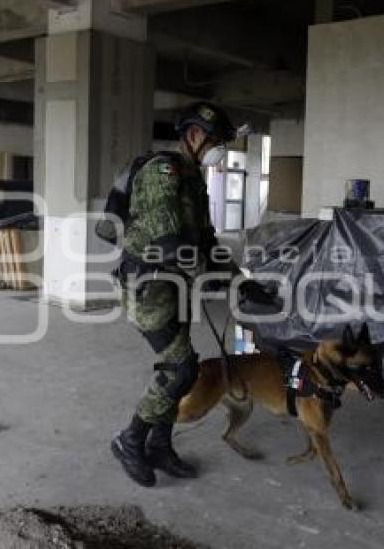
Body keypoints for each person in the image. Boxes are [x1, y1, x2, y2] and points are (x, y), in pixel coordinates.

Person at [110, 102, 240, 487]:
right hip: (147, 288)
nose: (220, 150)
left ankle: (160, 446)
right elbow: (170, 245)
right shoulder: (161, 172)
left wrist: (242, 281)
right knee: (180, 368)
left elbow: (207, 242)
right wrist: (210, 277)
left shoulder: (193, 179)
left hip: (176, 284)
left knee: (181, 370)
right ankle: (130, 440)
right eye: (216, 141)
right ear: (194, 135)